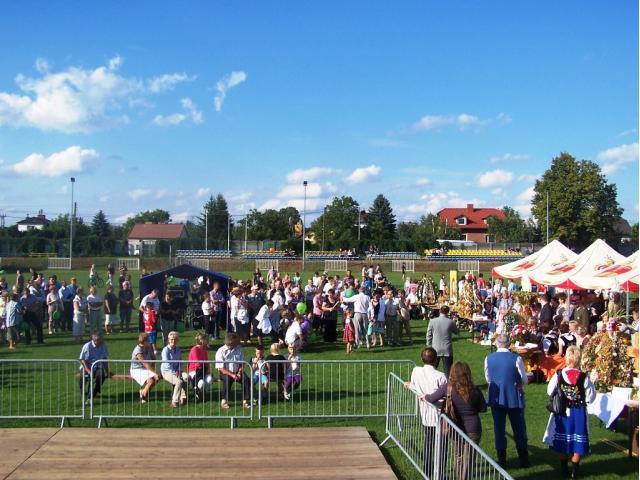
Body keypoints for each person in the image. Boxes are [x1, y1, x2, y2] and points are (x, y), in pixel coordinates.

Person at [423, 361, 487, 480]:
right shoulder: (475, 390)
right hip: (473, 428)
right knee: (469, 459)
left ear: (452, 372)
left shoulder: (448, 387)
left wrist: (424, 396)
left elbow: (431, 398)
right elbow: (483, 408)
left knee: (459, 456)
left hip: (455, 427)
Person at [543, 345, 596, 479]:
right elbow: (590, 398)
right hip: (578, 411)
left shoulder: (559, 374)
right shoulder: (583, 377)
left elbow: (550, 391)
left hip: (562, 411)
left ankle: (563, 469)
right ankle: (575, 471)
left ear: (567, 357)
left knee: (562, 438)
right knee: (578, 440)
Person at [484, 333, 530, 468]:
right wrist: (519, 383)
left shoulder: (489, 358)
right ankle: (523, 458)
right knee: (519, 428)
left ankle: (502, 460)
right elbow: (524, 378)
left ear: (496, 344)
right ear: (509, 344)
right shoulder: (516, 358)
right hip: (513, 395)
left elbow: (488, 378)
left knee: (499, 428)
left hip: (497, 396)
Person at [405, 347, 447, 476]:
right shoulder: (441, 376)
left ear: (421, 359)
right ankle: (439, 472)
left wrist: (409, 384)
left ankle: (427, 470)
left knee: (429, 442)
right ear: (436, 360)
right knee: (442, 445)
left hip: (426, 415)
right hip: (439, 415)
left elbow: (414, 385)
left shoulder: (416, 371)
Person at [215, 332, 251, 409]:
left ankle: (245, 401)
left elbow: (242, 363)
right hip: (225, 372)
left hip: (237, 371)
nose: (238, 342)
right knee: (227, 379)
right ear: (231, 342)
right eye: (236, 341)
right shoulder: (221, 351)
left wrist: (239, 372)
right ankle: (224, 401)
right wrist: (232, 375)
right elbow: (221, 368)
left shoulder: (239, 349)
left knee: (246, 379)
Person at [426, 305, 459, 377]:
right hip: (447, 349)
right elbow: (457, 332)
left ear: (439, 311)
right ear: (448, 312)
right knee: (448, 372)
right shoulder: (451, 322)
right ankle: (448, 383)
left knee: (432, 370)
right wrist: (457, 323)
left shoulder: (432, 321)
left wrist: (428, 345)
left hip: (435, 348)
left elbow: (429, 334)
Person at [161, 331, 188, 408]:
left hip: (177, 370)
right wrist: (175, 372)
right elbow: (167, 364)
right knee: (179, 381)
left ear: (177, 340)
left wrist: (179, 370)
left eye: (175, 339)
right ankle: (174, 401)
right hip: (167, 371)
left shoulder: (178, 349)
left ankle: (183, 398)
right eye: (171, 339)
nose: (173, 341)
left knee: (187, 377)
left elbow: (180, 361)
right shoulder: (165, 350)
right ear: (168, 340)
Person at [79, 331, 110, 399]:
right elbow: (83, 360)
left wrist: (107, 371)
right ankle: (82, 392)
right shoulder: (87, 346)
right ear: (95, 340)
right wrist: (88, 370)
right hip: (87, 366)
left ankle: (94, 392)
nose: (102, 341)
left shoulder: (103, 345)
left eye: (102, 339)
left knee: (101, 375)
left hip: (98, 367)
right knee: (82, 377)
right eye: (101, 339)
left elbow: (104, 359)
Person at [130, 333, 160, 403]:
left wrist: (153, 367)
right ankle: (144, 397)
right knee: (151, 380)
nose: (150, 341)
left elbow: (153, 358)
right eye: (148, 340)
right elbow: (145, 363)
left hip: (146, 369)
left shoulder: (149, 347)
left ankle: (143, 392)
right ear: (144, 341)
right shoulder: (138, 350)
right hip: (137, 369)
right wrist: (154, 372)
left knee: (157, 377)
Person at [188, 332, 213, 401]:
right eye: (206, 339)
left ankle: (203, 393)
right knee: (201, 383)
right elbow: (197, 363)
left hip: (203, 370)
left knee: (210, 379)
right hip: (194, 370)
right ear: (201, 340)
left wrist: (208, 370)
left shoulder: (204, 349)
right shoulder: (194, 349)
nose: (207, 341)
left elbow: (206, 361)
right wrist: (205, 368)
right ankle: (198, 393)